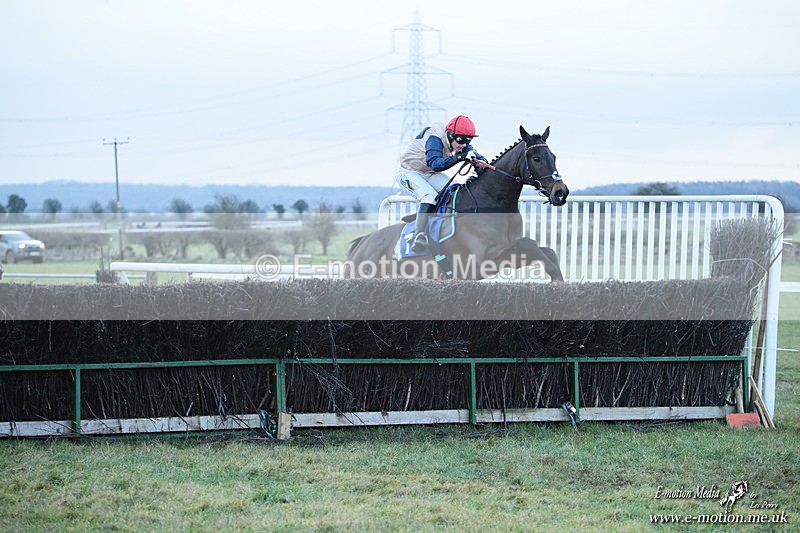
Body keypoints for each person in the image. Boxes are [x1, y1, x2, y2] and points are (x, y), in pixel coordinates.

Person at [396, 115, 491, 252]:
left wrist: (483, 163)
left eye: (467, 141)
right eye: (461, 141)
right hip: (408, 172)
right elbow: (436, 164)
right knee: (429, 196)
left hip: (428, 173)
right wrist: (459, 157)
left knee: (456, 190)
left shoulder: (459, 140)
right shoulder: (434, 138)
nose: (463, 145)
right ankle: (419, 235)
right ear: (451, 135)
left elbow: (472, 154)